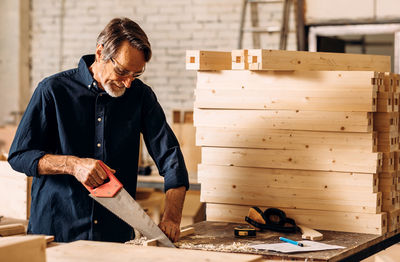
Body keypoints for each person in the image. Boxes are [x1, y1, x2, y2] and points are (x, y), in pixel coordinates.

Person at [8, 17, 189, 243]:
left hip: (114, 237)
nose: (128, 83)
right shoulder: (52, 90)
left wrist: (172, 218)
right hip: (56, 233)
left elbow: (171, 158)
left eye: (136, 74)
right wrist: (73, 165)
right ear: (100, 52)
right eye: (122, 71)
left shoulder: (140, 96)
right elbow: (19, 156)